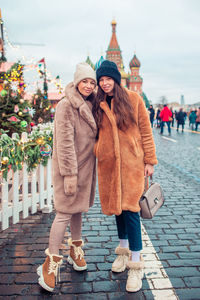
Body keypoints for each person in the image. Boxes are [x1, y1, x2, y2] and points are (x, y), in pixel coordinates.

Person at [93, 60, 158, 293]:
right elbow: (95, 134)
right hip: (109, 165)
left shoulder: (133, 99)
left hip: (132, 165)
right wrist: (98, 150)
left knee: (131, 212)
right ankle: (122, 252)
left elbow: (145, 130)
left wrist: (149, 160)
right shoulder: (98, 103)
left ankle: (136, 263)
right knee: (117, 211)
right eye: (101, 80)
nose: (105, 83)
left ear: (116, 79)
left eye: (108, 78)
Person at [37, 62, 97, 292]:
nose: (89, 85)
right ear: (77, 81)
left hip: (86, 170)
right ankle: (50, 262)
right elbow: (63, 144)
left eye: (92, 82)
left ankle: (75, 249)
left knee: (78, 210)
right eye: (85, 81)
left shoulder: (90, 105)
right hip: (69, 170)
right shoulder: (66, 105)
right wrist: (70, 175)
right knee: (63, 214)